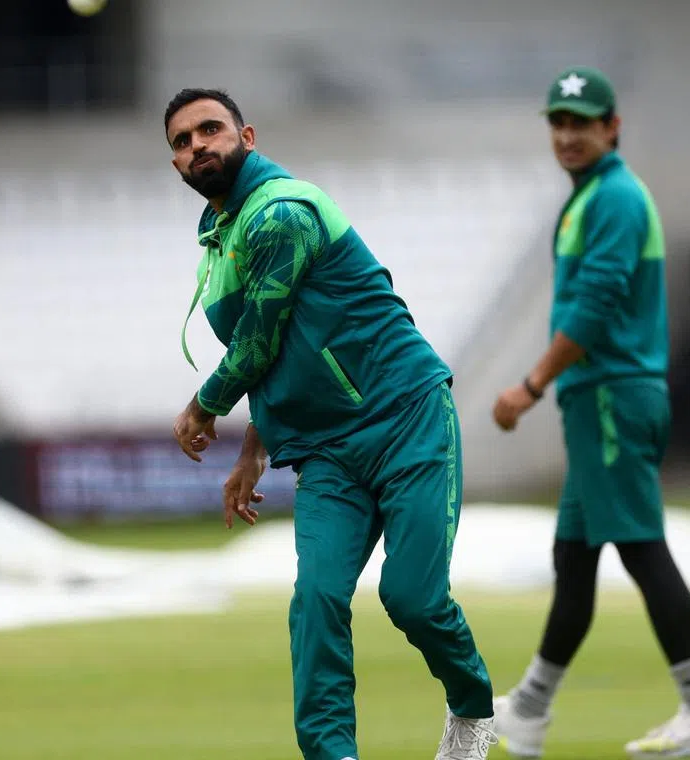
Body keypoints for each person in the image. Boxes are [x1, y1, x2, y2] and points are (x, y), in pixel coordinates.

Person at [165, 88, 498, 760]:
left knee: (412, 598)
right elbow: (280, 357)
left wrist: (204, 406)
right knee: (315, 603)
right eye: (181, 140)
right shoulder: (220, 243)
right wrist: (254, 451)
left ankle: (471, 707)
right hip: (326, 454)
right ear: (175, 161)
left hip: (404, 418)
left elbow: (256, 342)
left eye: (209, 129)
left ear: (246, 136)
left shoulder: (283, 211)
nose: (197, 145)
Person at [489, 67, 690, 759]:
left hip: (609, 397)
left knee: (640, 548)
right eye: (559, 123)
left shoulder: (614, 200)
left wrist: (530, 385)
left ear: (613, 127)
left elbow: (594, 308)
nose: (568, 136)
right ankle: (531, 711)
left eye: (582, 122)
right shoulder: (596, 197)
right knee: (574, 558)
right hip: (603, 401)